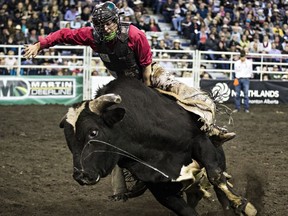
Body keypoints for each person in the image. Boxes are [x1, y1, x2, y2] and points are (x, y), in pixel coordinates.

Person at [23, 0, 235, 200]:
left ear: (116, 20)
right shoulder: (91, 36)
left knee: (182, 91)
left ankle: (210, 127)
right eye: (100, 24)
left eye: (109, 22)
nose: (106, 28)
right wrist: (41, 45)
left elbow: (146, 65)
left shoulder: (134, 34)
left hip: (149, 75)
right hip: (124, 84)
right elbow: (64, 35)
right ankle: (133, 175)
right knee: (115, 129)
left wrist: (146, 92)